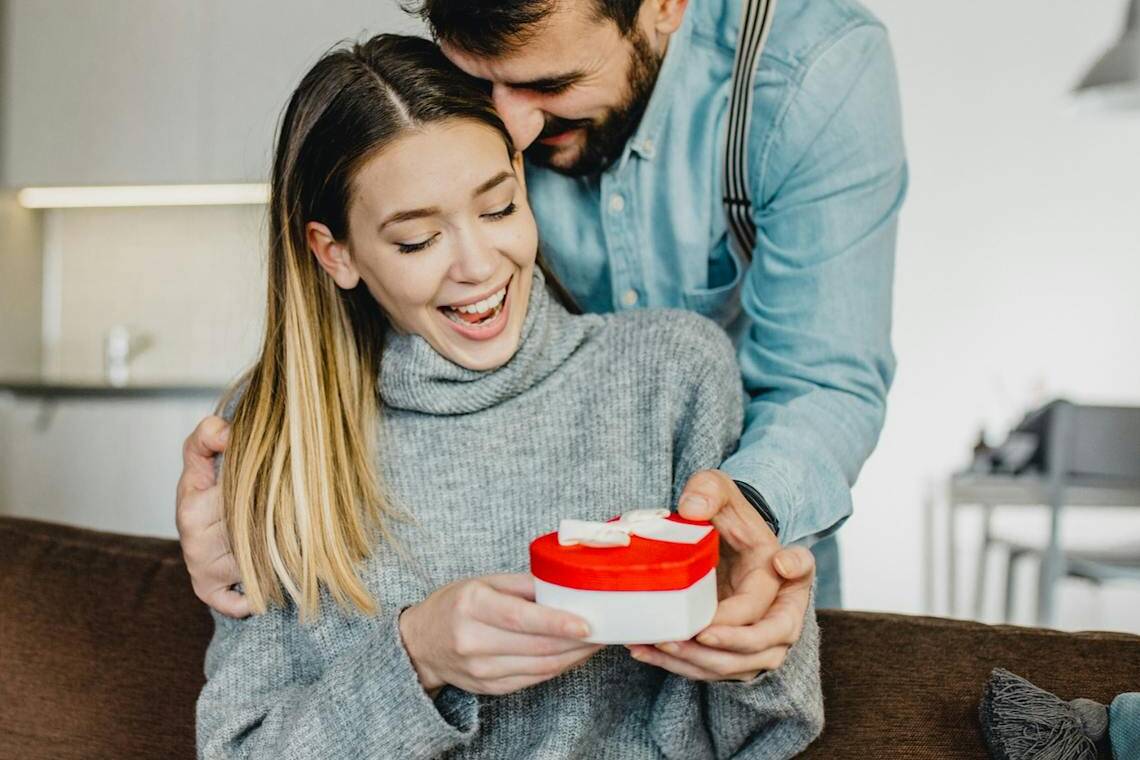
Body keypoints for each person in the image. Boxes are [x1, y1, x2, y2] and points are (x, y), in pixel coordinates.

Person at [180, 0, 907, 675]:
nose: (513, 131)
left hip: (758, 514)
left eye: (550, 84)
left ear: (663, 6)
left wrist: (738, 529)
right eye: (478, 79)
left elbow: (825, 383)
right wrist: (267, 473)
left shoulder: (810, 75)